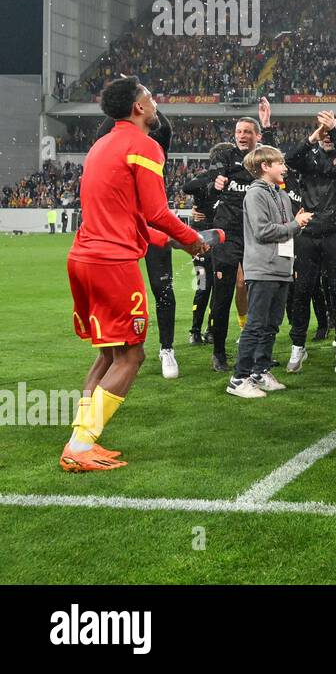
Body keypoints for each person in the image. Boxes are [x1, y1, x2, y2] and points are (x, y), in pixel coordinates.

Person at [61, 76, 208, 472]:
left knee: (109, 353)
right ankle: (79, 445)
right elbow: (157, 211)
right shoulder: (144, 146)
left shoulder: (101, 146)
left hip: (84, 258)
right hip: (112, 263)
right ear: (138, 107)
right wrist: (193, 240)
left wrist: (170, 241)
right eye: (149, 96)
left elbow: (135, 217)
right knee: (132, 356)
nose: (154, 101)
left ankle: (80, 435)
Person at [96, 108, 179, 379]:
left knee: (161, 287)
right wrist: (128, 96)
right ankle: (115, 350)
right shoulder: (112, 143)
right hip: (121, 228)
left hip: (152, 225)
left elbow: (164, 126)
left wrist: (147, 104)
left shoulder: (156, 145)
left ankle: (167, 349)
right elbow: (107, 126)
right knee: (117, 295)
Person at [227, 145, 313, 399]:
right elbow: (263, 231)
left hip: (280, 267)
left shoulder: (282, 195)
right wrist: (293, 224)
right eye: (280, 163)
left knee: (271, 325)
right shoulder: (255, 194)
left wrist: (296, 225)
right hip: (262, 267)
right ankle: (238, 378)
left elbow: (285, 229)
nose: (285, 167)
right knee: (255, 324)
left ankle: (259, 371)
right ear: (265, 166)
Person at [285, 111, 336, 374]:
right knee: (302, 290)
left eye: (331, 134)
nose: (327, 138)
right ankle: (298, 345)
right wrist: (314, 136)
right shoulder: (308, 158)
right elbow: (289, 159)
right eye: (324, 134)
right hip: (307, 234)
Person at [207, 100, 276, 372]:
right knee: (222, 297)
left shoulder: (261, 163)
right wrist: (216, 182)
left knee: (260, 294)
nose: (242, 135)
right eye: (239, 131)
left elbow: (276, 159)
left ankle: (260, 352)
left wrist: (267, 124)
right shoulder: (225, 157)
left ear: (257, 136)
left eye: (248, 131)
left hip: (256, 235)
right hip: (227, 236)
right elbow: (212, 183)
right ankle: (219, 352)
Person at [183, 142, 235, 346]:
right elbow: (188, 187)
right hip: (204, 239)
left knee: (216, 286)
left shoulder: (234, 180)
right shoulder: (208, 179)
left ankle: (211, 330)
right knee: (205, 286)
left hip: (222, 239)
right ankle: (195, 330)